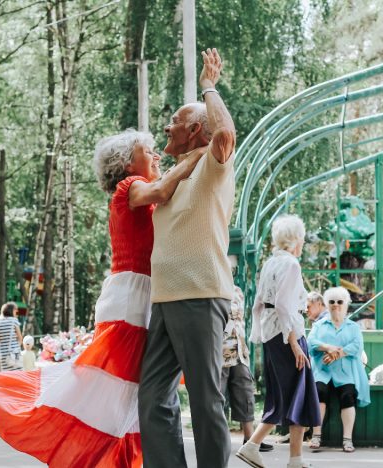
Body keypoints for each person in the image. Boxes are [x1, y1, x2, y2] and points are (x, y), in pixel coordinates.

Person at [0, 129, 205, 467]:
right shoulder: (128, 187)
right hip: (131, 297)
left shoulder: (142, 193)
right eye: (149, 151)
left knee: (129, 392)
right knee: (115, 389)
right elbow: (162, 188)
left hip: (144, 293)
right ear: (128, 163)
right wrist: (197, 154)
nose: (157, 155)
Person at [138, 48, 236, 468]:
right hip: (164, 300)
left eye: (176, 120)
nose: (167, 125)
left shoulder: (213, 166)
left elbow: (226, 134)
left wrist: (209, 86)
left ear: (196, 128)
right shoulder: (173, 175)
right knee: (152, 396)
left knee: (204, 398)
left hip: (200, 294)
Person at [237, 214, 320, 468]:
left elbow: (259, 303)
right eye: (302, 238)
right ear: (294, 239)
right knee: (298, 393)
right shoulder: (292, 265)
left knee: (286, 395)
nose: (304, 243)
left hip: (272, 335)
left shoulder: (271, 263)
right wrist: (294, 342)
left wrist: (259, 335)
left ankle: (283, 455)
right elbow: (285, 305)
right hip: (288, 335)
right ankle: (262, 449)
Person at [307, 286, 370, 453]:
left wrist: (339, 354)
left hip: (345, 370)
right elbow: (310, 342)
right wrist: (327, 348)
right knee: (319, 391)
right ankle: (316, 435)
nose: (336, 305)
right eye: (332, 302)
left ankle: (347, 439)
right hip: (323, 370)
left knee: (348, 395)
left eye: (340, 302)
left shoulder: (353, 327)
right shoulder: (319, 325)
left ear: (346, 304)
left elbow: (357, 346)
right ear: (327, 305)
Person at [222, 285, 274, 452]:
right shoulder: (212, 287)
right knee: (216, 396)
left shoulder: (237, 291)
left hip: (239, 351)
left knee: (246, 392)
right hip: (218, 352)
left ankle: (250, 439)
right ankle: (217, 439)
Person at [0, 302, 23, 372]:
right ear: (12, 311)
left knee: (6, 374)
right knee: (18, 373)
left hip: (3, 353)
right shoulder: (14, 321)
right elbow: (20, 338)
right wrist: (16, 346)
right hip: (15, 353)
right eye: (16, 310)